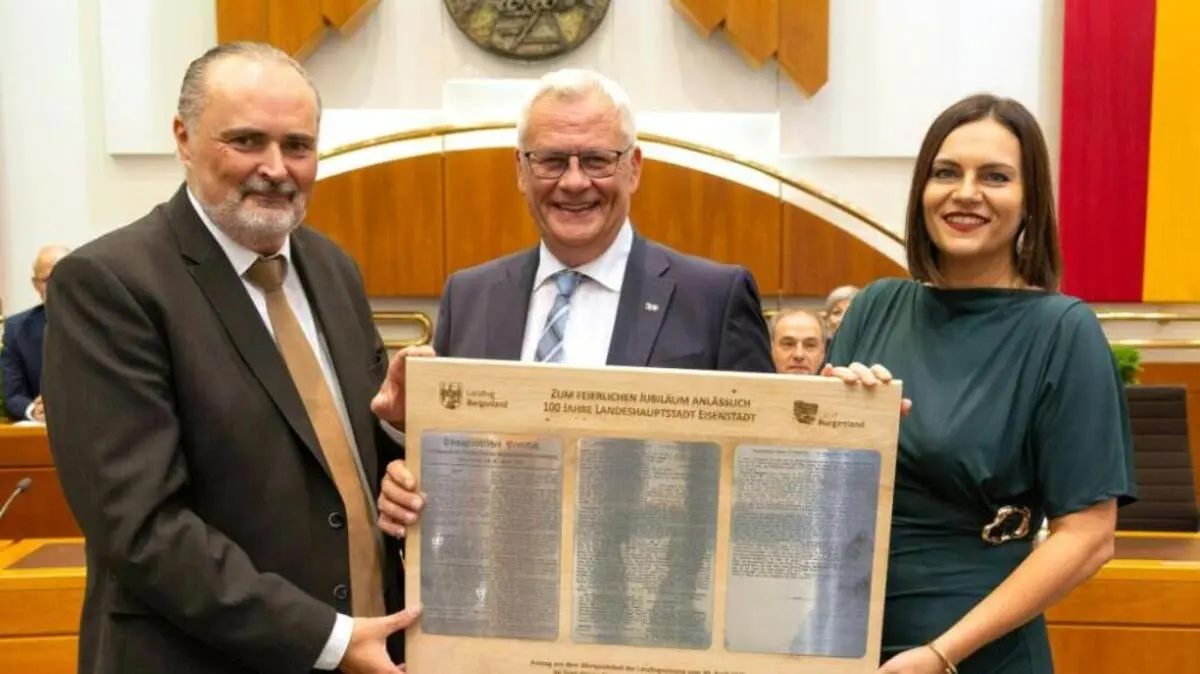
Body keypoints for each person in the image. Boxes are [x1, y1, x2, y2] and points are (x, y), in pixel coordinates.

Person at [42, 42, 422, 674]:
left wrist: (397, 435)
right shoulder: (109, 284)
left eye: (297, 145)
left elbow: (339, 461)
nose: (276, 168)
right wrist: (327, 640)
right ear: (183, 137)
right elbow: (142, 530)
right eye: (246, 140)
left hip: (370, 649)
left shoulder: (332, 268)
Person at [821, 94, 1135, 673]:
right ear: (922, 191)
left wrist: (942, 655)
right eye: (946, 173)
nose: (966, 193)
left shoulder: (1062, 331)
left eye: (995, 176)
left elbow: (1089, 537)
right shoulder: (874, 307)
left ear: (1030, 202)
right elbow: (810, 491)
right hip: (837, 640)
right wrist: (833, 423)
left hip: (971, 652)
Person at [429, 67, 773, 373]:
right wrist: (401, 422)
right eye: (552, 160)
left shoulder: (714, 299)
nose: (574, 182)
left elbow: (764, 439)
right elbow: (439, 434)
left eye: (596, 160)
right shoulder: (468, 297)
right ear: (521, 171)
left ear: (634, 169)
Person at [1, 244, 69, 421]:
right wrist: (33, 410)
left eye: (61, 276)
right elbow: (13, 396)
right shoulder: (16, 330)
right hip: (41, 430)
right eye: (47, 280)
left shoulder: (99, 321)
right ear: (36, 284)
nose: (55, 285)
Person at [769, 308, 825, 375]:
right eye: (788, 344)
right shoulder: (753, 385)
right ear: (772, 350)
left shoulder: (838, 385)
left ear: (822, 353)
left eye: (810, 345)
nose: (799, 355)